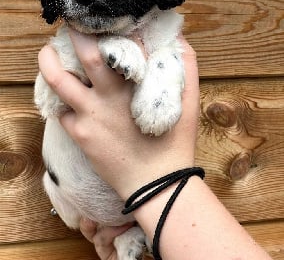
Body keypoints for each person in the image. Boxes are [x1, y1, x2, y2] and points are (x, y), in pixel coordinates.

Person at [38, 29, 272, 260]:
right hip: (78, 204)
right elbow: (47, 101)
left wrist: (157, 178)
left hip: (145, 212)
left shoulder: (161, 42)